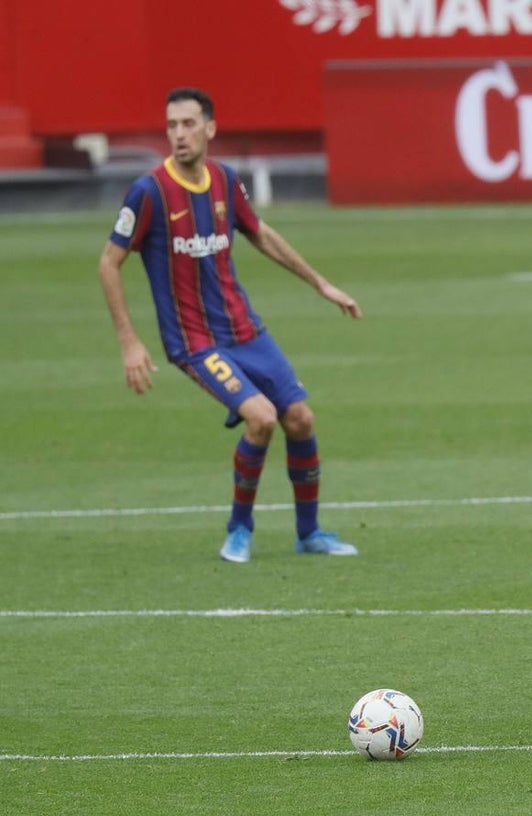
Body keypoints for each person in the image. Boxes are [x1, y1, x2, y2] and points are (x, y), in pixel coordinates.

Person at [98, 87, 363, 564]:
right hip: (194, 342)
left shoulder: (223, 181)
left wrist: (321, 285)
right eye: (172, 126)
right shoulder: (149, 192)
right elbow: (108, 263)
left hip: (246, 331)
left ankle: (309, 533)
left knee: (300, 418)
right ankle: (239, 529)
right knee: (261, 418)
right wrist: (129, 341)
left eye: (188, 124)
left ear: (209, 128)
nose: (179, 134)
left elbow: (260, 233)